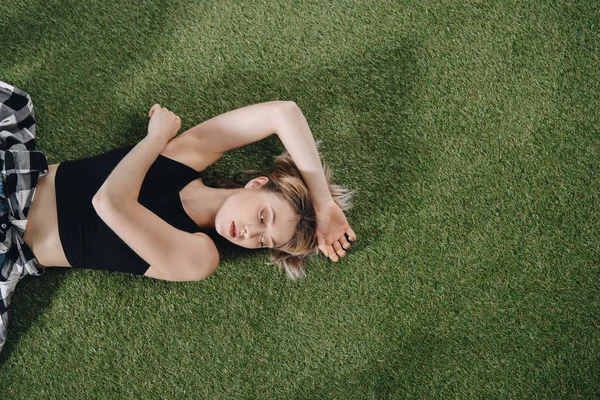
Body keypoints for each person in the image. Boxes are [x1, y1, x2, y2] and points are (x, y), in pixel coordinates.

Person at [0, 82, 355, 350]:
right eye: (263, 216)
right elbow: (283, 112)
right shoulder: (187, 157)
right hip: (12, 177)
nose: (248, 233)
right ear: (257, 184)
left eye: (263, 241)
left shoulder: (200, 257)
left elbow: (108, 202)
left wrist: (155, 139)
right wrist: (323, 203)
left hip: (10, 245)